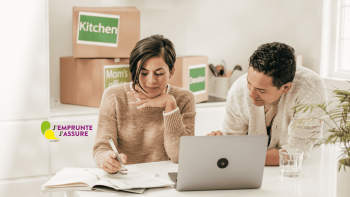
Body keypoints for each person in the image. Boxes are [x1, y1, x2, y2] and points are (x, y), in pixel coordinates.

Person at [207, 42, 327, 165]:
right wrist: (220, 144)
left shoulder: (311, 88)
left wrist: (237, 155)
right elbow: (233, 141)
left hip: (303, 167)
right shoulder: (238, 90)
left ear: (286, 87)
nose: (251, 94)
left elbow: (296, 151)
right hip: (252, 165)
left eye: (261, 90)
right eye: (249, 83)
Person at [93, 35, 196, 173]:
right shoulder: (114, 96)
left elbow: (180, 155)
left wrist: (170, 105)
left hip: (166, 181)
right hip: (126, 180)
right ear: (134, 71)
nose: (151, 80)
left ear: (171, 72)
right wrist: (105, 159)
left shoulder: (184, 98)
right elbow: (101, 148)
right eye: (143, 73)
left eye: (159, 73)